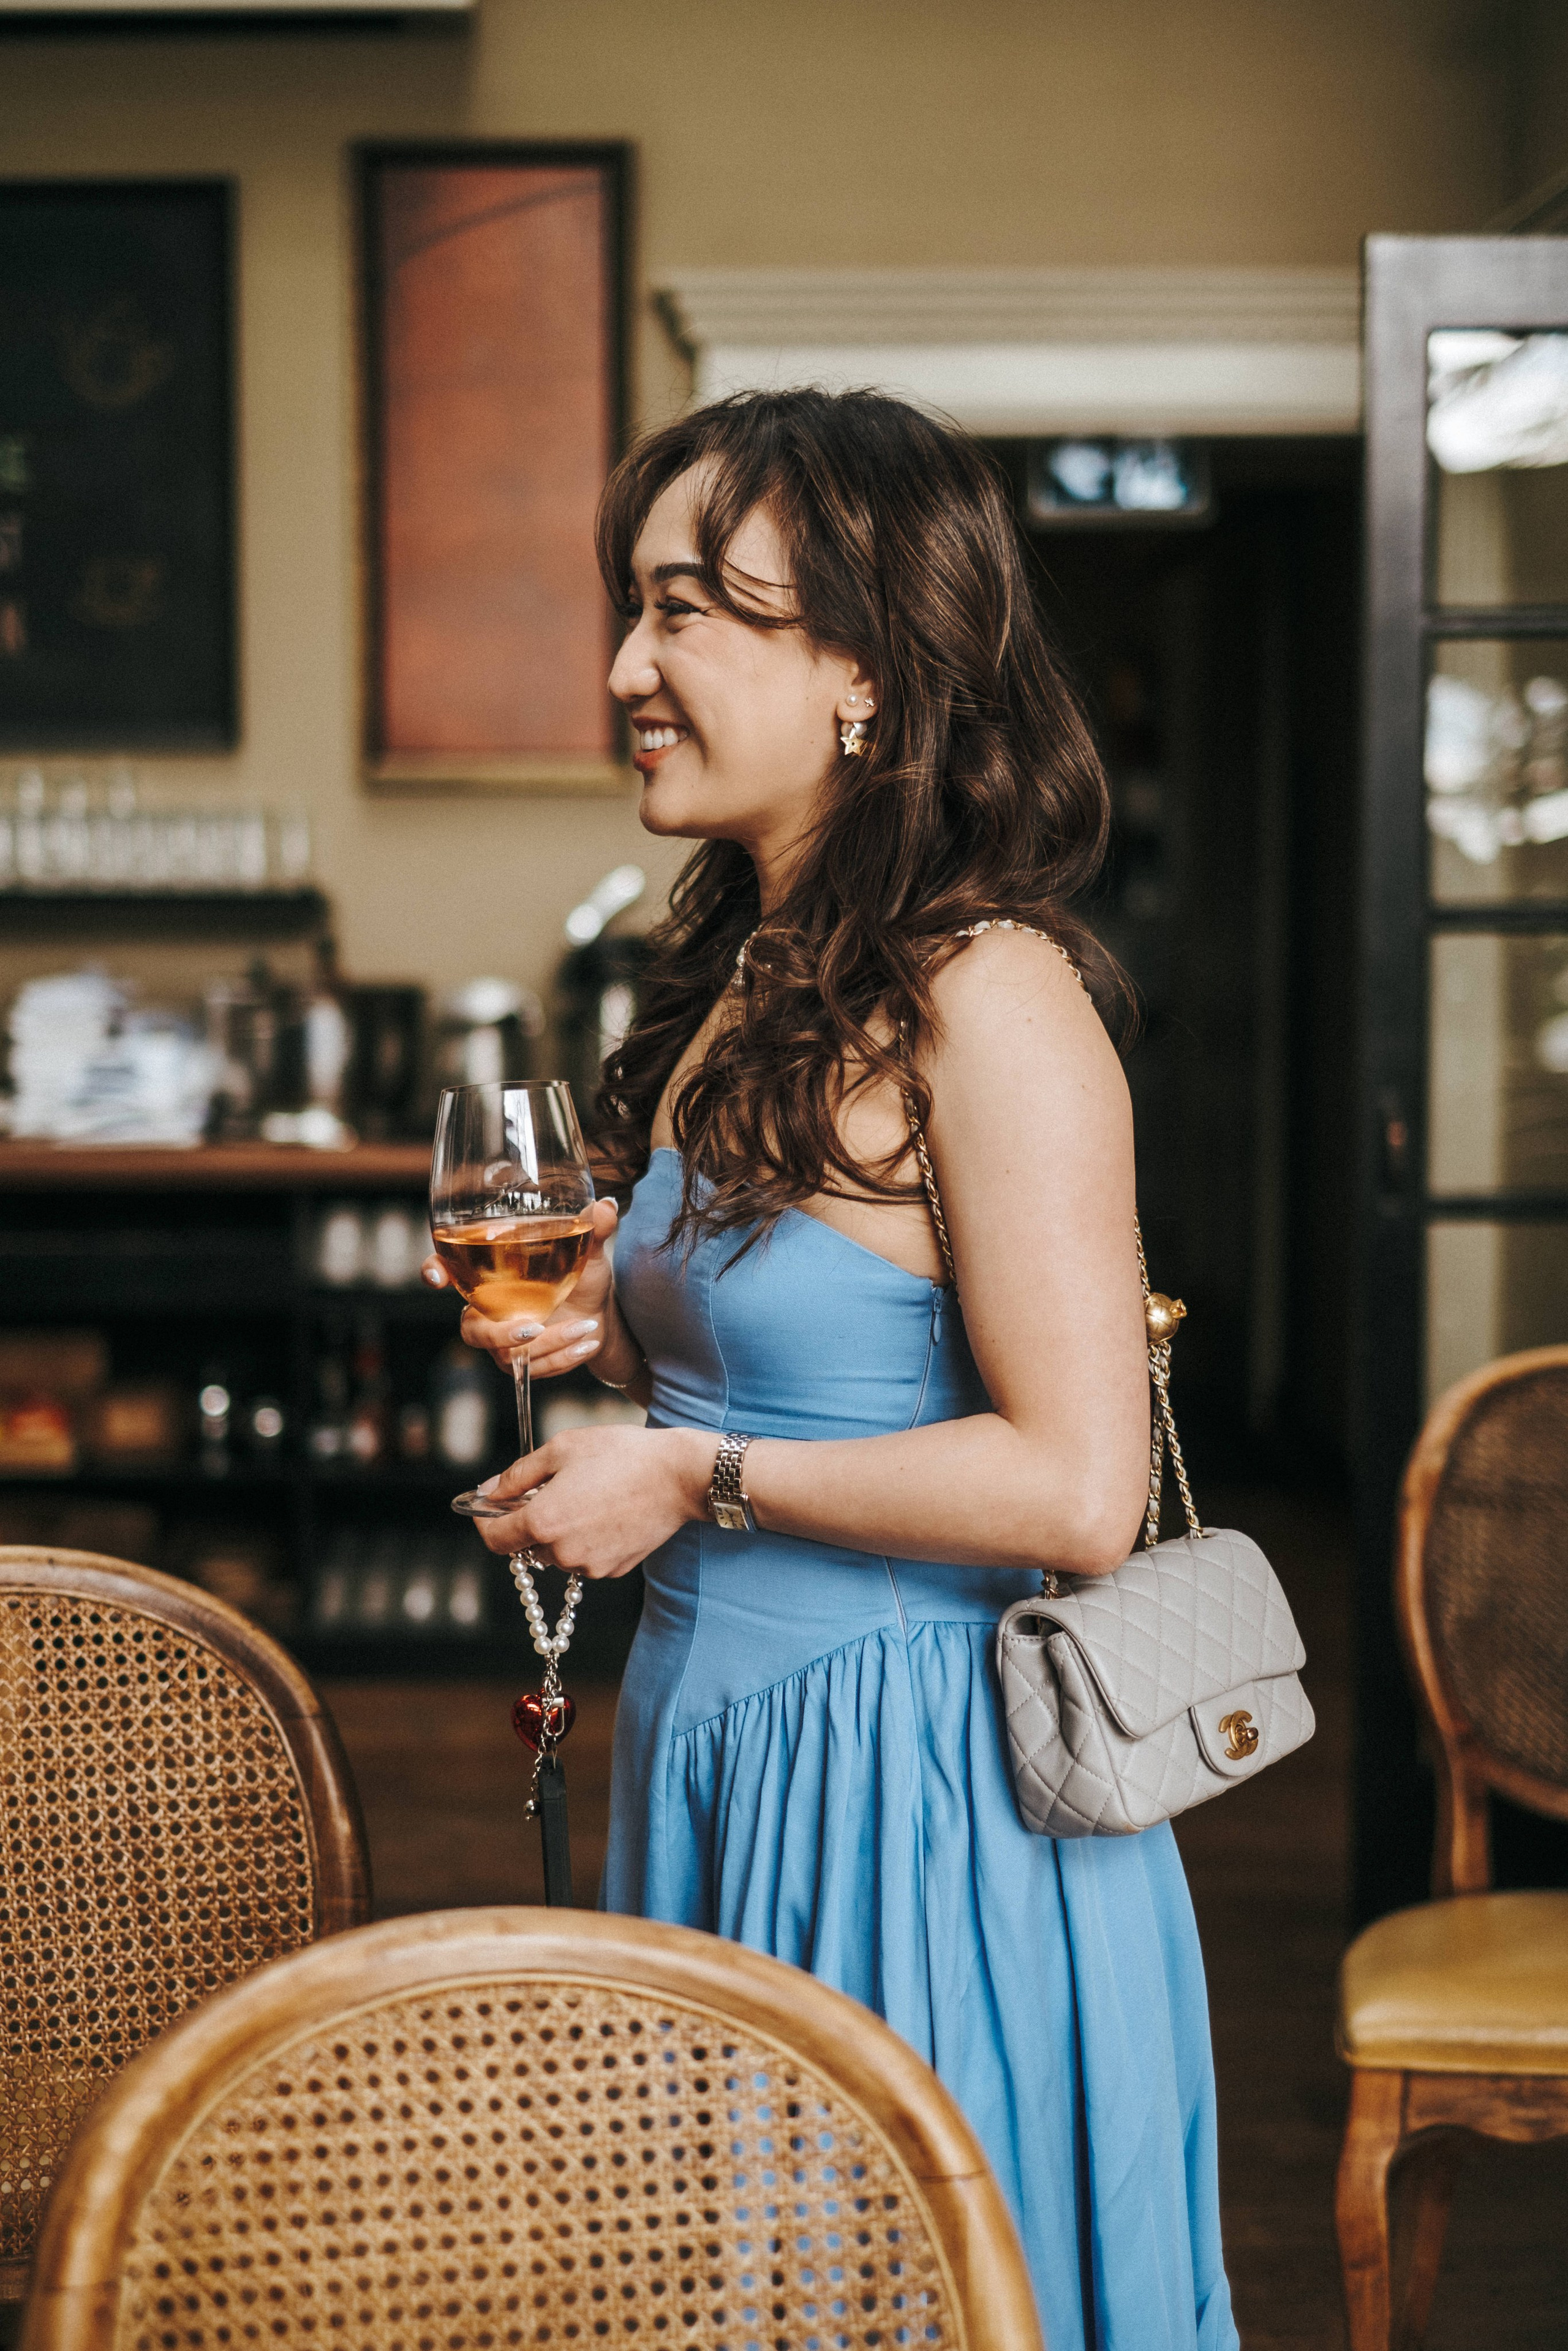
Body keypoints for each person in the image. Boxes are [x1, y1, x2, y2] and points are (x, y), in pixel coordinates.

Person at [428, 388, 1238, 2351]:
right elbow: (814, 1328)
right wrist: (608, 1322)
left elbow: (1078, 1492)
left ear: (867, 668)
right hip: (728, 1738)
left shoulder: (998, 997)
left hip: (918, 1793)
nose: (629, 665)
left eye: (693, 609)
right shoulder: (757, 985)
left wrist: (687, 1474)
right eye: (633, 607)